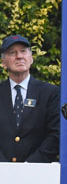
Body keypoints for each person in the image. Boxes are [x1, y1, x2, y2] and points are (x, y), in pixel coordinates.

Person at [0, 34, 59, 163]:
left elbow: (54, 135)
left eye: (23, 51)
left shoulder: (50, 93)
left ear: (31, 58)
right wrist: (4, 167)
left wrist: (28, 167)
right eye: (12, 52)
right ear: (3, 63)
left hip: (38, 174)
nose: (19, 56)